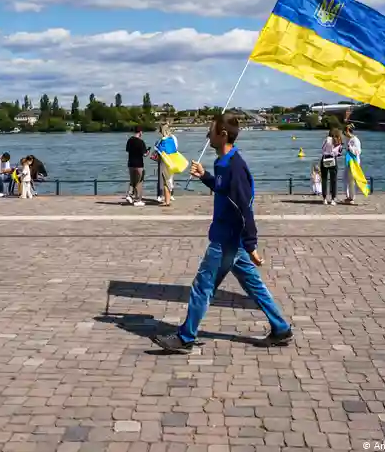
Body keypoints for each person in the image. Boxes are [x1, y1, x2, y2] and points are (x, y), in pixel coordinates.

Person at [152, 112, 293, 354]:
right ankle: (281, 328)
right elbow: (223, 189)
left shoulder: (235, 166)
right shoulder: (224, 163)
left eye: (211, 130)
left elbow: (244, 207)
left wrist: (251, 245)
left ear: (223, 134)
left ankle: (185, 337)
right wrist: (205, 176)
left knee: (202, 286)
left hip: (227, 240)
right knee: (254, 286)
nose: (208, 135)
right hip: (231, 240)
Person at [125, 126, 149, 207]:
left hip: (130, 163)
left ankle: (129, 195)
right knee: (139, 182)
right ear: (140, 132)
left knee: (132, 181)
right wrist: (148, 152)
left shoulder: (129, 140)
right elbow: (144, 154)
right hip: (139, 164)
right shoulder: (141, 142)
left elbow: (127, 150)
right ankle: (138, 200)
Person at [155, 123, 178, 206]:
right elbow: (175, 150)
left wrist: (156, 147)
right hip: (172, 161)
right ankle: (169, 198)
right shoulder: (172, 139)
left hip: (164, 161)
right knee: (169, 180)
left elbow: (160, 150)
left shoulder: (163, 140)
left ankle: (166, 201)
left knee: (165, 181)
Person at [320, 128, 343, 205]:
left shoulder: (327, 139)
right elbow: (339, 153)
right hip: (333, 159)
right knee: (334, 180)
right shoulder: (339, 140)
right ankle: (333, 199)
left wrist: (328, 151)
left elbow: (322, 148)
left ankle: (324, 199)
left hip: (325, 159)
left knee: (324, 179)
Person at [343, 124, 362, 204]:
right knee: (346, 179)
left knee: (352, 180)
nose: (344, 134)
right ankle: (348, 196)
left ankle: (352, 197)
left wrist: (349, 147)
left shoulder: (355, 140)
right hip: (348, 160)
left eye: (345, 132)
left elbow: (358, 152)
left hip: (354, 162)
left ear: (348, 131)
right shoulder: (348, 139)